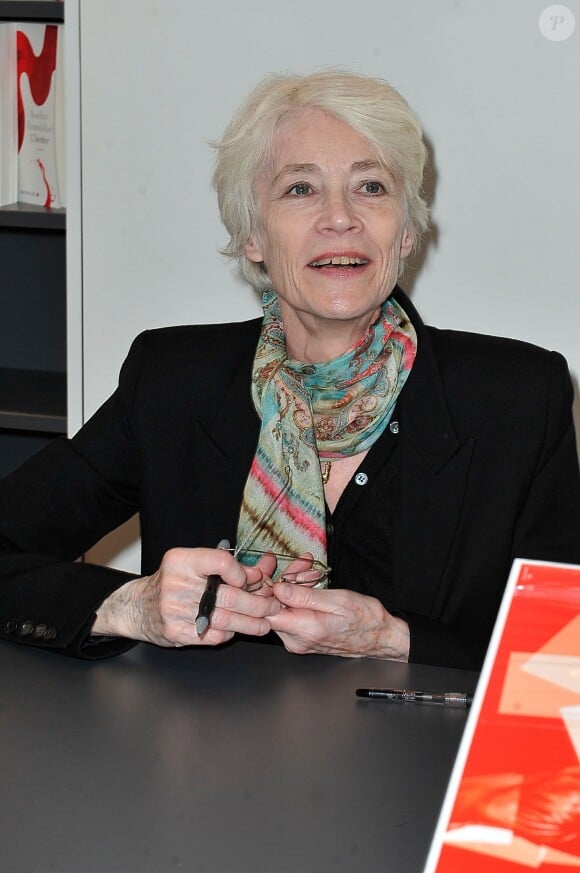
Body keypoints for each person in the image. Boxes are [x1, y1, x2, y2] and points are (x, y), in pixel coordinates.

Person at [1, 71, 579, 669]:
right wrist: (132, 606)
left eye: (372, 187)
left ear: (405, 233)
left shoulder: (517, 397)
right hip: (204, 756)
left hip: (421, 759)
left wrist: (396, 640)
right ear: (252, 234)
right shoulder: (172, 381)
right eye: (300, 189)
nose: (340, 217)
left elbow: (563, 657)